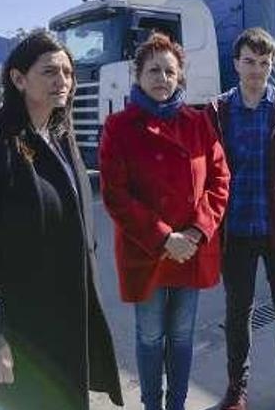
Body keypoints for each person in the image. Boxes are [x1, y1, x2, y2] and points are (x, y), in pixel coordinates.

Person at [0, 29, 123, 410]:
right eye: (49, 72)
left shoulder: (61, 136)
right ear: (18, 79)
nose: (62, 81)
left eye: (67, 72)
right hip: (22, 329)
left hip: (67, 319)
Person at [99, 32, 231, 410]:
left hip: (190, 249)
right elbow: (115, 194)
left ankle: (177, 404)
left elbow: (220, 180)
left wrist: (195, 231)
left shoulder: (198, 123)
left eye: (170, 71)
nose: (162, 78)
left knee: (183, 336)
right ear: (137, 75)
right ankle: (152, 405)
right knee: (151, 336)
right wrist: (163, 238)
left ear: (180, 77)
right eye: (153, 70)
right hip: (149, 250)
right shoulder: (119, 127)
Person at [207, 28, 275, 410]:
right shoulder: (218, 110)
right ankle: (237, 390)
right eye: (249, 62)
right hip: (235, 229)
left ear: (272, 65)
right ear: (236, 63)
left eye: (264, 63)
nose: (256, 70)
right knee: (238, 315)